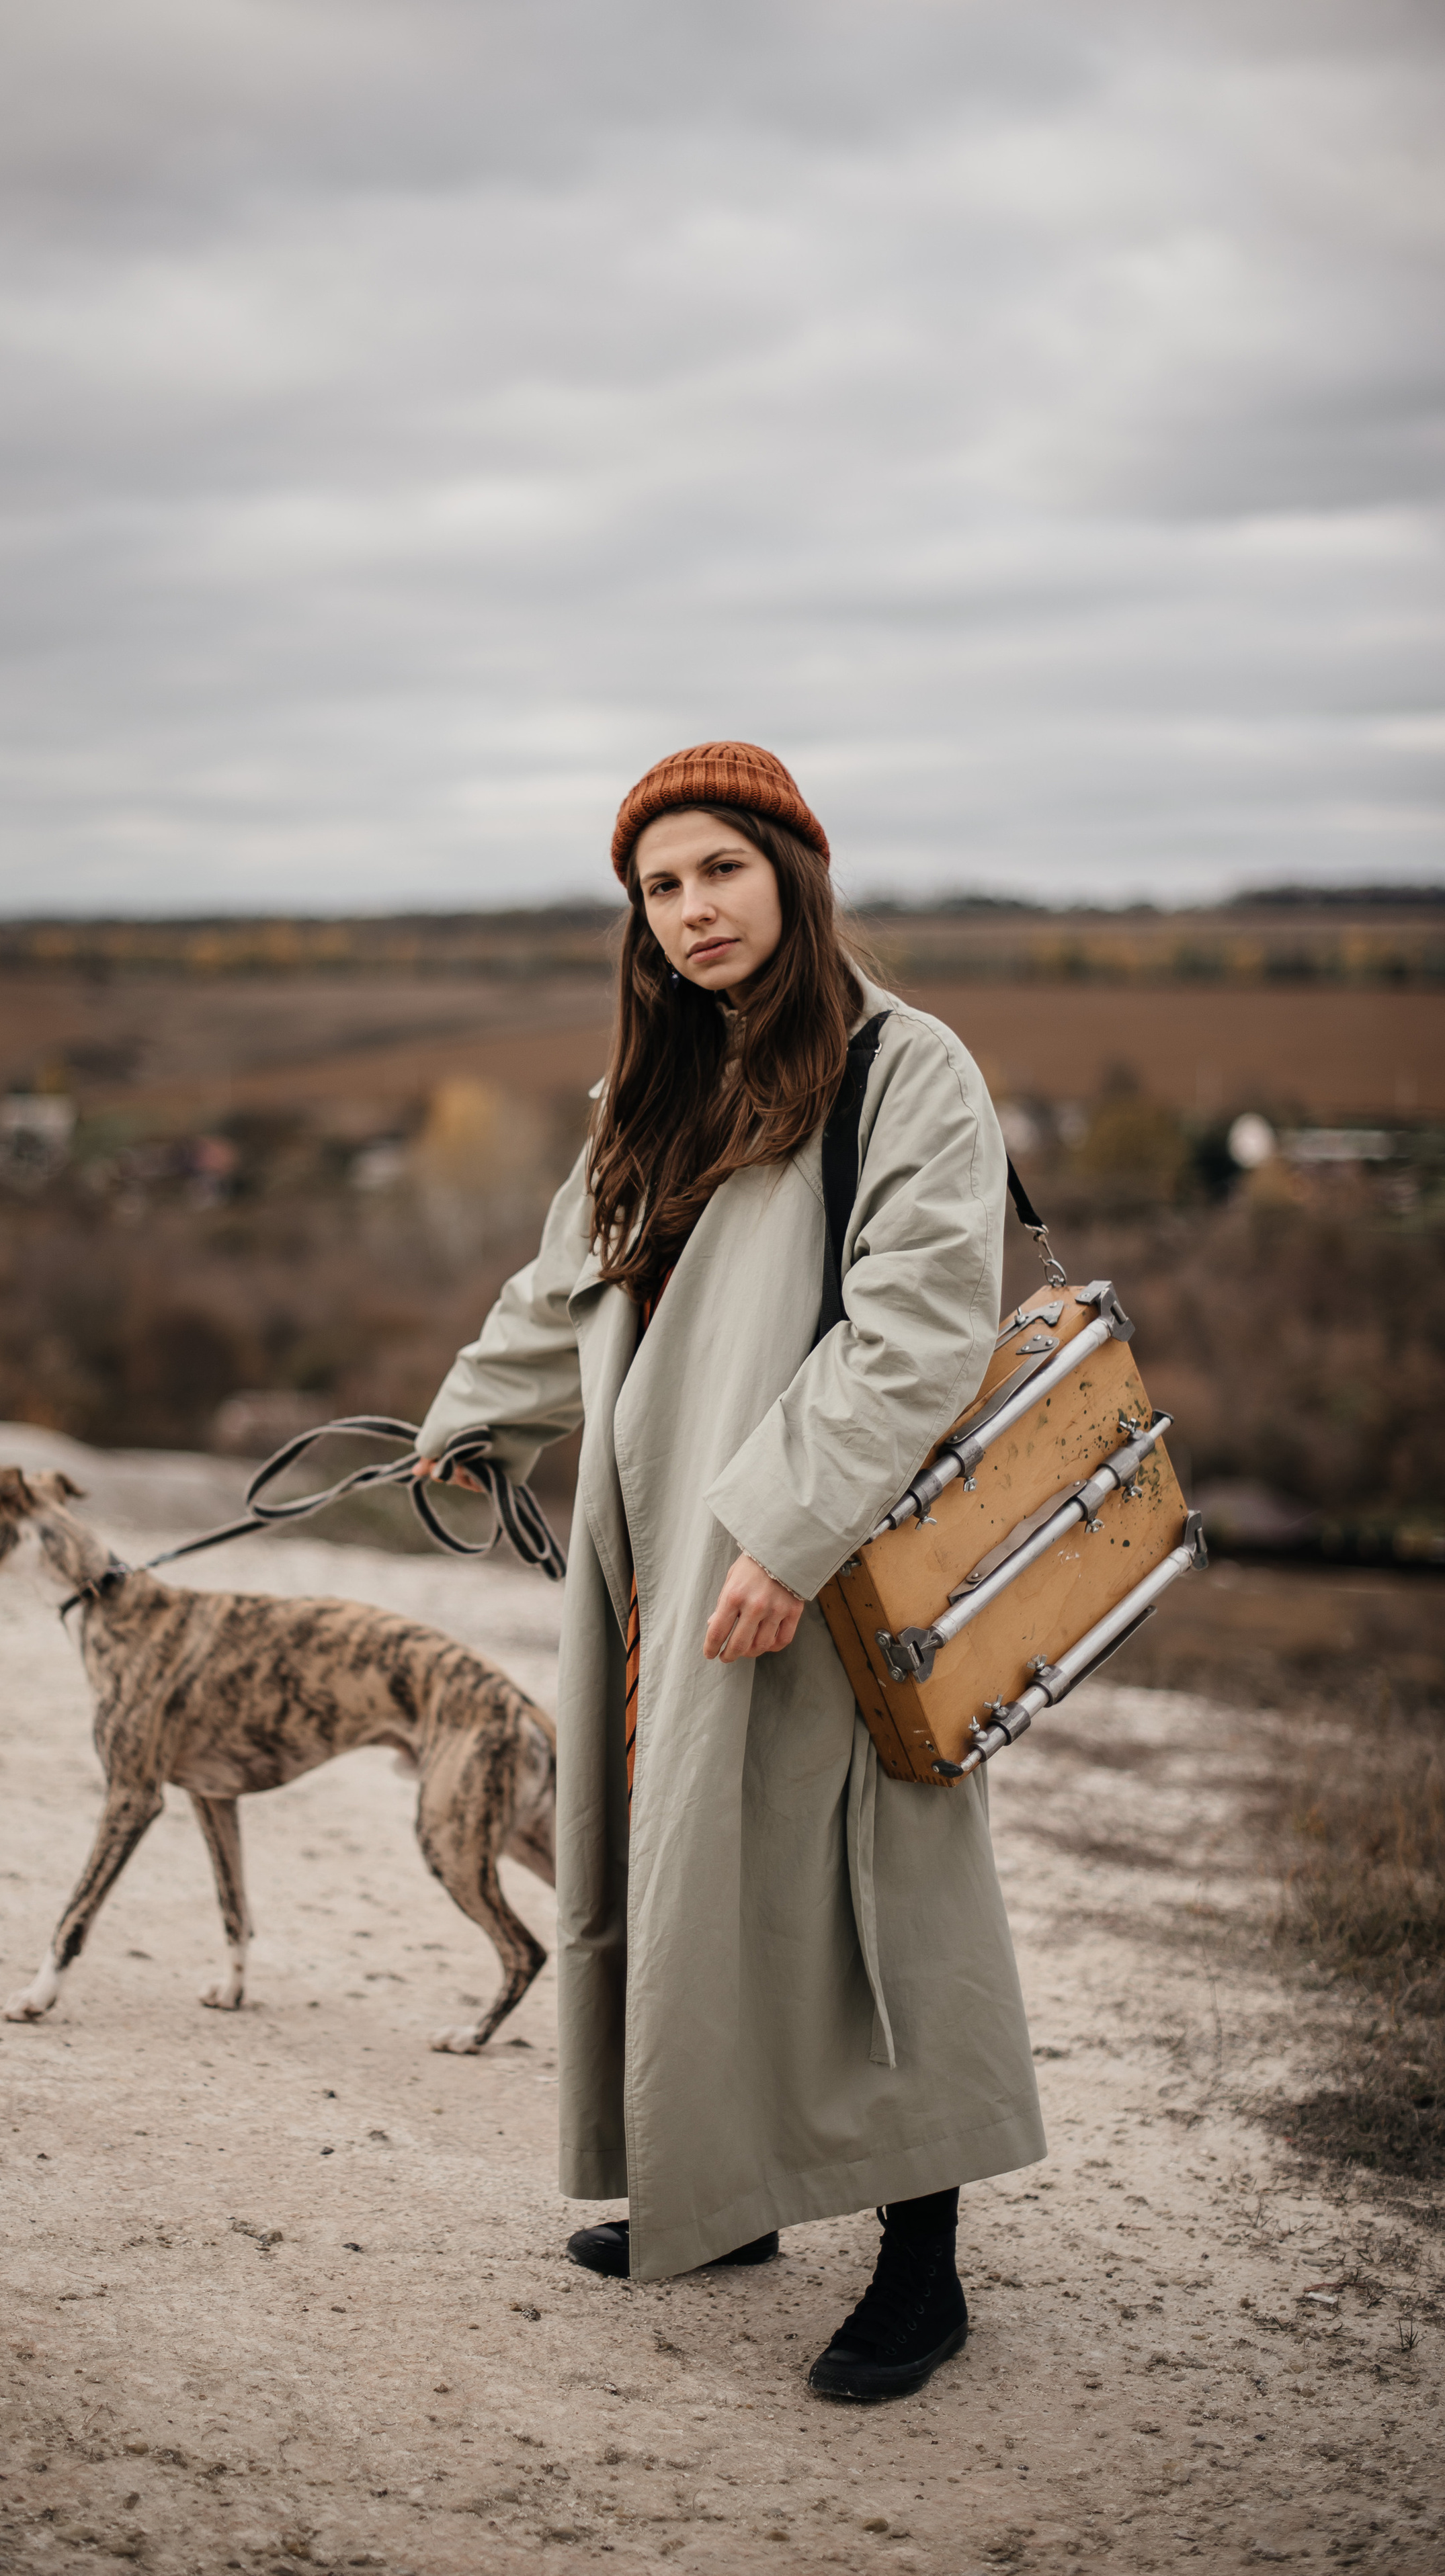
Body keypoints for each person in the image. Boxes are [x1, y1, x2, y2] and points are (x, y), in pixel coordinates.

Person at [414, 741, 1045, 2401]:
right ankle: (723, 2194)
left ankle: (923, 2269)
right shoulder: (655, 1082)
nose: (690, 910)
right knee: (691, 1874)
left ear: (789, 869)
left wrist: (782, 1526)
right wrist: (471, 1418)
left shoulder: (907, 1068)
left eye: (717, 870)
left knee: (866, 1897)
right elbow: (571, 1287)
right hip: (654, 1574)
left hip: (816, 1562)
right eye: (657, 887)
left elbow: (915, 1332)